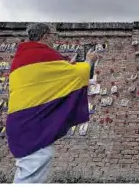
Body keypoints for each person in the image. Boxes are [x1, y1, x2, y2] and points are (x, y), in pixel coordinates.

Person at [6, 23, 98, 183]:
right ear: (45, 36)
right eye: (53, 35)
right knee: (32, 172)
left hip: (20, 122)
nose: (55, 39)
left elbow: (42, 85)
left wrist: (66, 68)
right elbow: (77, 74)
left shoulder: (22, 57)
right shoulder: (43, 55)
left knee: (26, 170)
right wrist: (89, 61)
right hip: (32, 126)